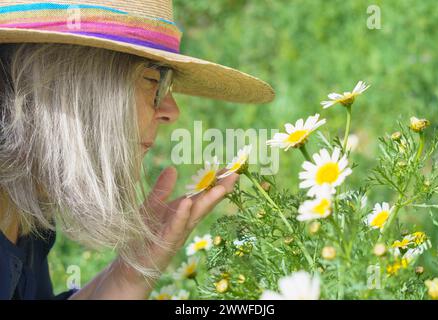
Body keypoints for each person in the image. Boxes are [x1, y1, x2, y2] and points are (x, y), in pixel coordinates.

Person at [0, 0, 274, 299]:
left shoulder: (26, 209)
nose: (171, 111)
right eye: (153, 80)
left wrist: (128, 277)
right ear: (70, 84)